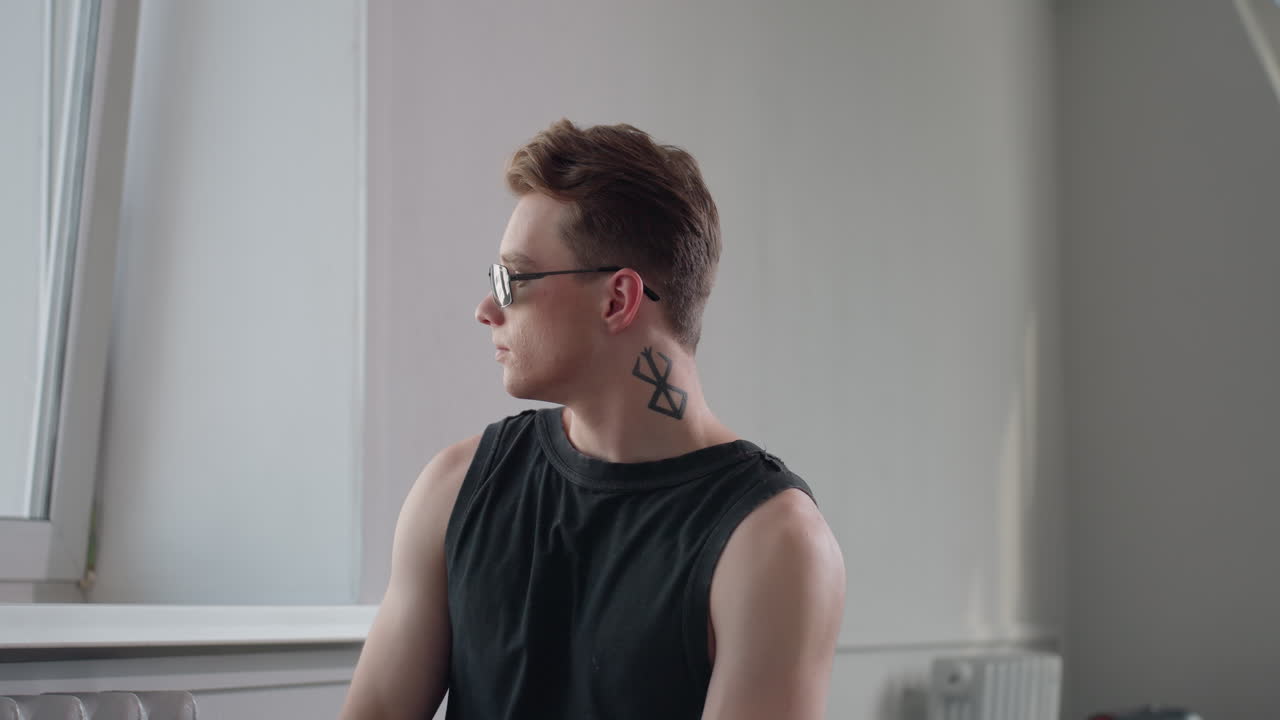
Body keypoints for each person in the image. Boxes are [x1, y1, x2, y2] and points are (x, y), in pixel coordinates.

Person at [339, 119, 846, 720]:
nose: (485, 310)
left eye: (511, 280)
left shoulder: (772, 545)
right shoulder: (454, 490)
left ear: (617, 300)